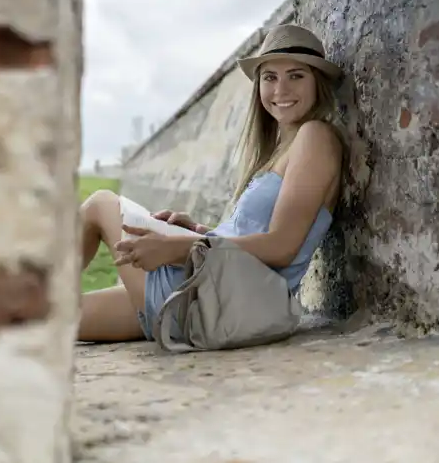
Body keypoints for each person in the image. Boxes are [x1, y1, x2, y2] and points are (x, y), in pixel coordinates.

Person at [77, 24, 346, 342]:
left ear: (318, 82)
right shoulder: (278, 152)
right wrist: (200, 231)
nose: (280, 90)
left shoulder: (315, 136)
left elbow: (282, 247)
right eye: (270, 77)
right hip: (206, 290)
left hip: (218, 296)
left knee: (99, 204)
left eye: (296, 76)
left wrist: (177, 248)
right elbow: (247, 238)